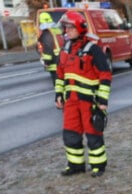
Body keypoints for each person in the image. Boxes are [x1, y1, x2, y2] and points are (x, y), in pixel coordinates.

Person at [54, 11, 111, 177]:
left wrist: (102, 101)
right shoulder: (65, 49)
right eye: (66, 28)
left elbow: (105, 75)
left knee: (93, 133)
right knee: (70, 134)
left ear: (80, 27)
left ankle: (98, 165)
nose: (67, 31)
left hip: (89, 102)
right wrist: (58, 94)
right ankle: (75, 165)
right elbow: (60, 75)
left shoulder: (92, 49)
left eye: (71, 27)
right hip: (71, 101)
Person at [37, 12, 61, 83]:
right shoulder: (57, 30)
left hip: (54, 62)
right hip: (62, 60)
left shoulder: (47, 33)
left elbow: (48, 48)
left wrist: (46, 62)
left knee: (57, 84)